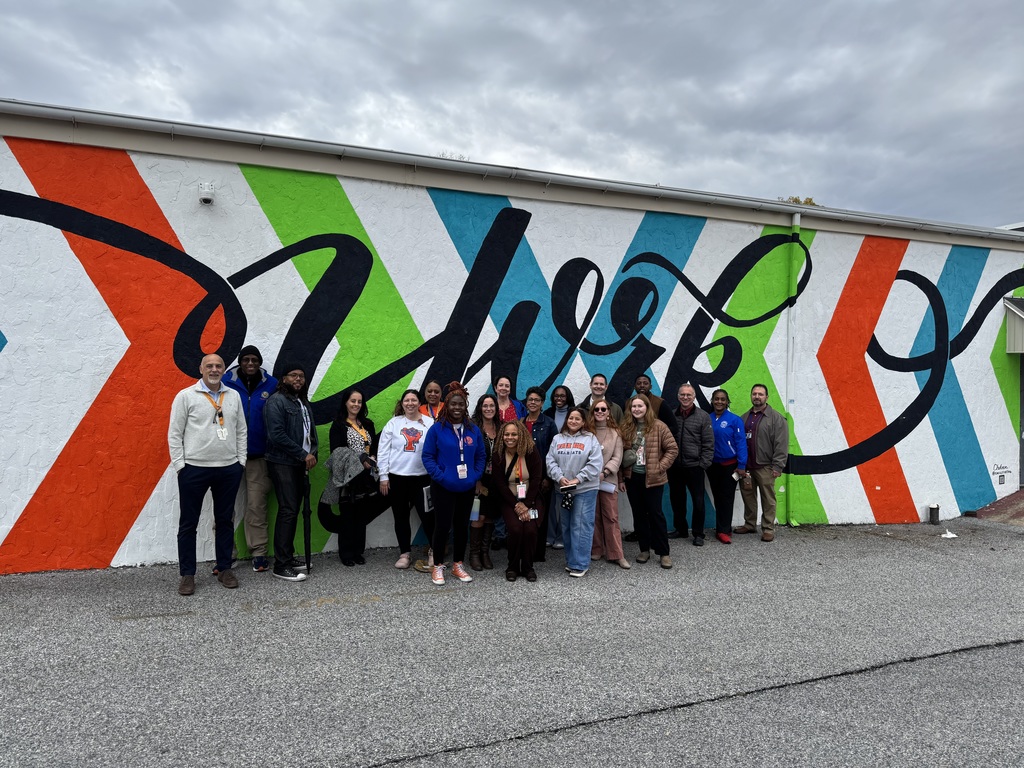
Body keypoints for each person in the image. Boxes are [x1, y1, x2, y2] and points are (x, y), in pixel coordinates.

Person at [168, 354, 246, 596]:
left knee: (225, 521)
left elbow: (241, 430)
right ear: (200, 368)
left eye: (218, 366)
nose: (214, 369)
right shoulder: (186, 396)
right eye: (209, 366)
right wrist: (181, 466)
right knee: (188, 524)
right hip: (194, 469)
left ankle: (224, 569)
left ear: (224, 370)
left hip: (228, 468)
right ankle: (187, 575)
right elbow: (174, 434)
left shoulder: (232, 396)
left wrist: (240, 462)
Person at [422, 382, 486, 585]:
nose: (457, 408)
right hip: (443, 487)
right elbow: (428, 457)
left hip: (466, 486)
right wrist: (441, 477)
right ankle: (438, 566)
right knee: (441, 526)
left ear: (465, 406)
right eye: (453, 404)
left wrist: (474, 476)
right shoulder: (436, 430)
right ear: (446, 406)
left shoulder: (473, 430)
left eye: (461, 405)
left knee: (461, 526)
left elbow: (481, 456)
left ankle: (458, 564)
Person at [222, 345, 277, 572]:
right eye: (246, 360)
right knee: (224, 507)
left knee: (256, 506)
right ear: (240, 362)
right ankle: (225, 554)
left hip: (258, 456)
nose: (251, 363)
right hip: (229, 457)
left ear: (260, 362)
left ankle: (259, 553)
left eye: (255, 360)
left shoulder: (271, 385)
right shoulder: (225, 382)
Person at [264, 363, 319, 582]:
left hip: (298, 462)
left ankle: (287, 556)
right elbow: (276, 434)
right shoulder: (276, 401)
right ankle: (281, 565)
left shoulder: (301, 402)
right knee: (287, 510)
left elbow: (309, 433)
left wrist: (311, 452)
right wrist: (302, 454)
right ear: (284, 378)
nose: (298, 379)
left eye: (301, 376)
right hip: (282, 462)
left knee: (293, 509)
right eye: (293, 376)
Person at [377, 389, 435, 570]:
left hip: (422, 478)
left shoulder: (429, 422)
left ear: (420, 402)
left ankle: (434, 551)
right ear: (402, 403)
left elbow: (436, 447)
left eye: (413, 400)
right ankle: (405, 553)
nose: (410, 403)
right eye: (406, 400)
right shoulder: (394, 423)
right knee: (400, 516)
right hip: (397, 479)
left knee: (428, 517)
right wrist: (383, 476)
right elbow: (383, 450)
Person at [621, 394, 678, 569]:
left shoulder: (659, 426)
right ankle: (644, 549)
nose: (637, 409)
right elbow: (622, 453)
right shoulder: (627, 427)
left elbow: (672, 449)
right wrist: (623, 476)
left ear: (647, 407)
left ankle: (663, 552)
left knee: (656, 514)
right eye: (633, 407)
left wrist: (660, 467)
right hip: (633, 478)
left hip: (653, 478)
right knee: (639, 515)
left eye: (640, 406)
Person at [546, 406, 604, 578]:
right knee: (567, 525)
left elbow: (595, 464)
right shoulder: (557, 438)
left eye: (577, 419)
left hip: (584, 490)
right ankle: (572, 561)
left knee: (581, 526)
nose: (573, 421)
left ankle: (580, 564)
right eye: (571, 418)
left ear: (584, 421)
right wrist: (559, 477)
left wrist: (578, 479)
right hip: (563, 490)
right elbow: (550, 461)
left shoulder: (590, 438)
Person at [328, 388, 380, 566]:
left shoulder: (368, 424)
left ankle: (358, 552)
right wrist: (360, 459)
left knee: (362, 516)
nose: (356, 404)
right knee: (348, 516)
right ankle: (346, 553)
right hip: (349, 478)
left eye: (359, 401)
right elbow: (337, 451)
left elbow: (373, 447)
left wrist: (372, 457)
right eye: (353, 401)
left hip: (367, 477)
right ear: (346, 402)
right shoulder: (338, 425)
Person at [735, 383, 789, 542]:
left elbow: (781, 444)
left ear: (766, 397)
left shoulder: (776, 418)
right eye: (754, 394)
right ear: (751, 396)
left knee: (768, 499)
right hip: (747, 468)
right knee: (748, 497)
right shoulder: (744, 417)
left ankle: (768, 529)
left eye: (760, 394)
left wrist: (778, 466)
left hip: (765, 467)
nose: (757, 396)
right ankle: (750, 524)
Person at [493, 421, 543, 582]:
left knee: (530, 530)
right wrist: (516, 505)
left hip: (531, 498)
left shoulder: (530, 451)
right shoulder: (498, 454)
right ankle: (512, 567)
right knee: (515, 529)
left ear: (520, 435)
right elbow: (500, 484)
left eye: (514, 434)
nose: (510, 437)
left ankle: (528, 567)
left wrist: (526, 504)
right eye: (507, 434)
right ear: (502, 436)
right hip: (509, 499)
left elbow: (536, 479)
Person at [667, 383, 714, 546]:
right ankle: (680, 529)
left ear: (693, 397)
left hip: (695, 466)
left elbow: (708, 443)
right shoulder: (672, 415)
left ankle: (698, 533)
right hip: (675, 467)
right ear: (678, 396)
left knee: (698, 502)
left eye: (688, 395)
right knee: (677, 500)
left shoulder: (703, 416)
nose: (685, 397)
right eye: (682, 395)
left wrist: (703, 464)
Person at [587, 398, 630, 569]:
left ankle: (617, 554)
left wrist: (605, 472)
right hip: (589, 481)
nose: (600, 412)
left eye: (603, 409)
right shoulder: (587, 433)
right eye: (596, 409)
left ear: (608, 412)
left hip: (608, 481)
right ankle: (597, 549)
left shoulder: (615, 433)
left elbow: (617, 457)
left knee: (611, 517)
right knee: (594, 517)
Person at [707, 389, 748, 544]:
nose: (719, 402)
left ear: (727, 402)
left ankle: (723, 531)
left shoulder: (734, 420)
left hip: (730, 466)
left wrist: (742, 464)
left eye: (723, 399)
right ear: (712, 400)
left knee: (727, 497)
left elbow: (741, 443)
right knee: (718, 497)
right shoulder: (708, 418)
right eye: (716, 399)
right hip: (712, 465)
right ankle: (723, 528)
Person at [522, 386, 557, 562]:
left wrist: (548, 478)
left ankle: (538, 553)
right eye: (530, 400)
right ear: (526, 402)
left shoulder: (549, 424)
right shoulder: (520, 423)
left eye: (536, 400)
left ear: (542, 403)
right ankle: (524, 550)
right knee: (523, 513)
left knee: (540, 514)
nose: (533, 402)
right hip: (522, 478)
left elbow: (554, 453)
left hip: (543, 478)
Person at [469, 394, 501, 570]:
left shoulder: (501, 427)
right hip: (478, 478)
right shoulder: (473, 427)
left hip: (496, 480)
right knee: (478, 516)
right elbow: (469, 455)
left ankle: (484, 552)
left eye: (492, 406)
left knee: (489, 516)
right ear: (480, 407)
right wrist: (476, 481)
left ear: (496, 408)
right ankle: (474, 554)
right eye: (485, 405)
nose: (489, 409)